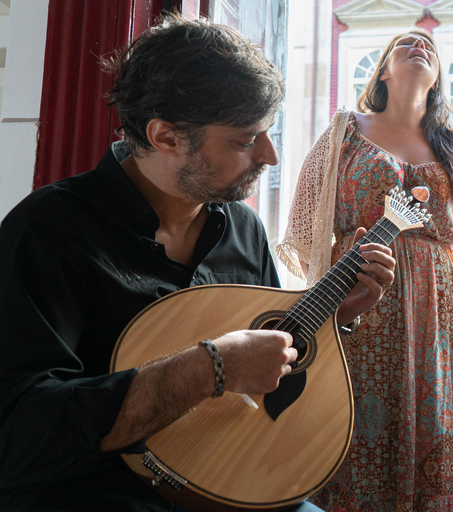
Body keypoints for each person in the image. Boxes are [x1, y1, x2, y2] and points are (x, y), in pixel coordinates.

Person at [0, 13, 395, 512]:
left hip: (230, 479)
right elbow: (19, 432)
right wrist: (208, 369)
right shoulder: (48, 230)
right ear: (166, 136)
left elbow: (271, 365)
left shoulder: (243, 228)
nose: (270, 156)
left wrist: (334, 318)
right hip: (95, 490)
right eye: (246, 139)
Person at [277, 28, 453, 511]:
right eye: (406, 43)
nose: (420, 46)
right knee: (351, 424)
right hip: (356, 302)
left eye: (430, 48)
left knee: (436, 423)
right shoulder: (344, 130)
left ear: (437, 78)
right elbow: (304, 224)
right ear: (382, 69)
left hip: (439, 313)